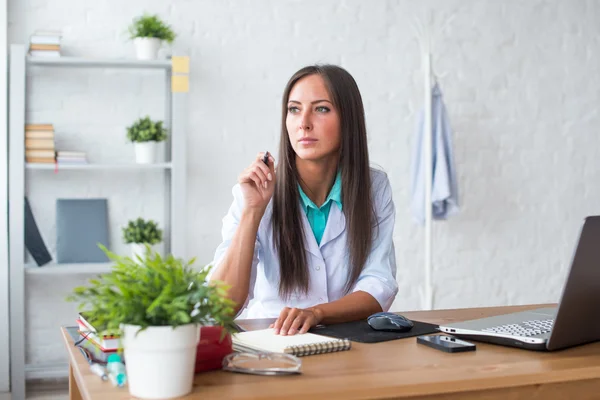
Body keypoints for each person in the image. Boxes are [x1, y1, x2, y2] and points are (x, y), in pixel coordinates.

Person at [209, 64, 398, 336]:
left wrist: (317, 313)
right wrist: (253, 212)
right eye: (294, 109)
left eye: (321, 109)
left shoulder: (374, 187)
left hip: (346, 345)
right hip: (271, 342)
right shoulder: (252, 193)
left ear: (349, 119)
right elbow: (221, 307)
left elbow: (378, 283)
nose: (303, 122)